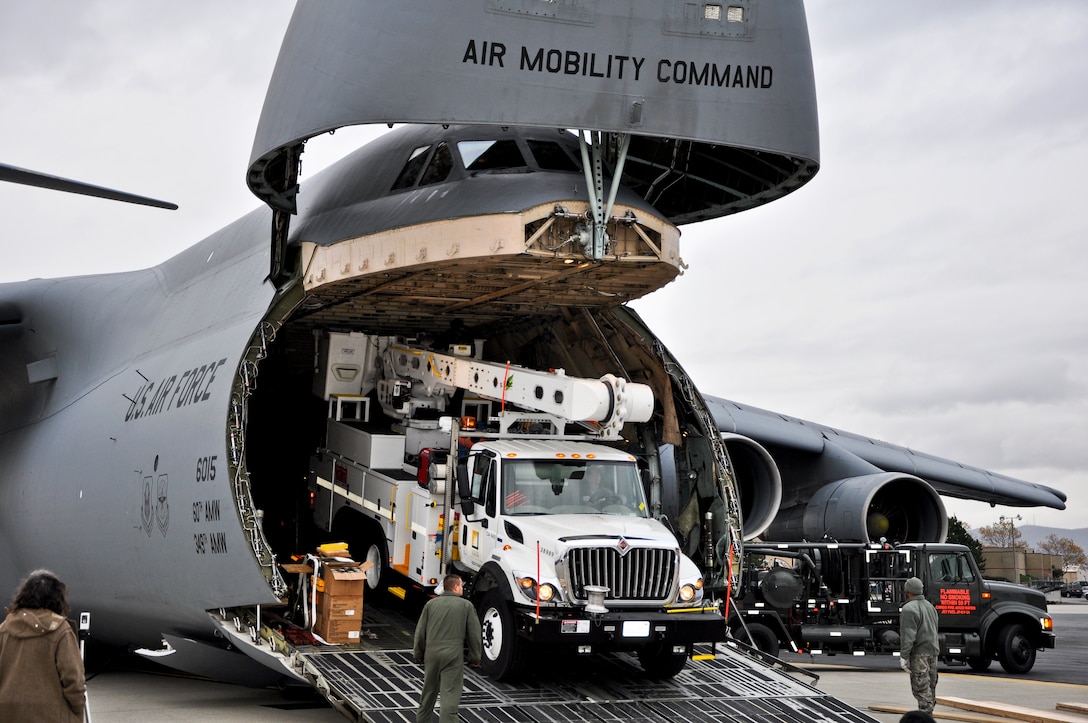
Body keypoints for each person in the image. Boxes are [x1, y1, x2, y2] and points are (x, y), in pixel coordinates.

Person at [0, 569, 87, 722]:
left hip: (8, 713)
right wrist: (77, 710)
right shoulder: (60, 630)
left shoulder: (5, 628)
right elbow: (74, 680)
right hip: (51, 715)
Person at [414, 574, 482, 723]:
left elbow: (420, 632)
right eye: (461, 586)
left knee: (428, 692)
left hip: (431, 654)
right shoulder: (466, 606)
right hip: (453, 655)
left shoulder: (431, 605)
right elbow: (474, 635)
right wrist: (474, 658)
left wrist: (418, 653)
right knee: (450, 694)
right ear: (456, 587)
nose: (463, 589)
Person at [899, 576, 939, 714]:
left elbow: (908, 635)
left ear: (908, 591)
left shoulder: (908, 609)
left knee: (921, 688)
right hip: (933, 652)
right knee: (930, 686)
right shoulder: (930, 607)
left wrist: (904, 656)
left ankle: (925, 717)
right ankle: (930, 714)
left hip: (919, 653)